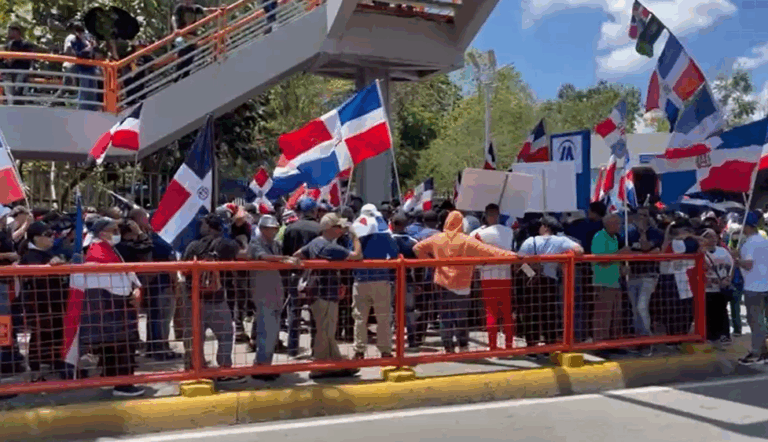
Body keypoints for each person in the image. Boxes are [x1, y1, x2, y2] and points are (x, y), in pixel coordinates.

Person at [413, 211, 517, 353]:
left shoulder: (437, 238)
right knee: (461, 317)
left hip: (441, 282)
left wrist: (431, 263)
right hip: (462, 285)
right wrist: (512, 256)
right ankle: (463, 346)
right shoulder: (467, 240)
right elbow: (490, 251)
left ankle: (448, 347)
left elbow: (417, 248)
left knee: (445, 317)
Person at [79, 218, 145, 397]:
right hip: (112, 302)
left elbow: (125, 270)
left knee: (114, 344)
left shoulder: (109, 248)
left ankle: (111, 379)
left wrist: (136, 288)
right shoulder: (97, 251)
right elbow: (114, 275)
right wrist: (131, 291)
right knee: (121, 344)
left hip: (117, 301)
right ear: (102, 232)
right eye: (113, 229)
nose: (117, 232)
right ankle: (123, 384)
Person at [295, 213, 362, 378]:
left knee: (326, 330)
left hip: (318, 292)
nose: (342, 229)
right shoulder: (329, 247)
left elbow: (297, 254)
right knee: (325, 331)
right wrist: (355, 237)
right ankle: (320, 366)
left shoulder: (315, 243)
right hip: (325, 293)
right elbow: (357, 256)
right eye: (338, 226)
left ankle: (335, 362)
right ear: (330, 228)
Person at [181, 214, 246, 384]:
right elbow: (243, 254)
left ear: (210, 227)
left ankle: (195, 368)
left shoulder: (193, 245)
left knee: (195, 336)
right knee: (225, 334)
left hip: (193, 298)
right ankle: (224, 368)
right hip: (216, 298)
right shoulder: (227, 244)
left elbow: (182, 268)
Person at [517, 216, 583, 350]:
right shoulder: (562, 241)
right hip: (550, 281)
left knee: (531, 314)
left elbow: (519, 260)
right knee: (550, 314)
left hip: (533, 282)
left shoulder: (531, 241)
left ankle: (532, 346)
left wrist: (531, 271)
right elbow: (579, 251)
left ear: (545, 227)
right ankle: (549, 345)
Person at [248, 215, 300, 381]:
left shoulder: (276, 244)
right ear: (262, 229)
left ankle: (265, 364)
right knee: (266, 329)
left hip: (275, 288)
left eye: (275, 228)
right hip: (262, 289)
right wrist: (284, 259)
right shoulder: (256, 242)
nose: (273, 231)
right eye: (270, 228)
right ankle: (261, 365)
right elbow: (262, 257)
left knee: (273, 330)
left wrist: (284, 259)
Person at [18, 222, 68, 380]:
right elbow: (35, 277)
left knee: (56, 332)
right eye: (48, 235)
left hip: (54, 301)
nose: (52, 238)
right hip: (39, 303)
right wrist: (49, 266)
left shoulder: (48, 252)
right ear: (37, 237)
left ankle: (55, 361)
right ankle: (35, 370)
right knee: (39, 335)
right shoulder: (30, 255)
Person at [350, 204, 399, 360]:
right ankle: (385, 351)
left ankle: (359, 351)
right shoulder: (383, 233)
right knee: (384, 317)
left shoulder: (356, 231)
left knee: (360, 318)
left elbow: (349, 253)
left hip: (360, 279)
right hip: (381, 279)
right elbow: (394, 252)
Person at [470, 204, 516, 350]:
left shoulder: (478, 233)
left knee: (491, 312)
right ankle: (509, 345)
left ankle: (492, 346)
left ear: (486, 215)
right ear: (498, 214)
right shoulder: (509, 231)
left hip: (487, 276)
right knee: (507, 313)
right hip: (506, 276)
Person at [281, 197, 321, 356]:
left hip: (294, 273)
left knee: (294, 312)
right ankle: (315, 349)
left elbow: (285, 253)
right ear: (314, 211)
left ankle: (292, 349)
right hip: (315, 275)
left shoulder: (290, 228)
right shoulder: (319, 229)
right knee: (315, 313)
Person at [623, 207, 663, 343]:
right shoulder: (628, 233)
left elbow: (647, 247)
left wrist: (642, 233)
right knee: (635, 309)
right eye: (639, 215)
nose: (642, 218)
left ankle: (647, 337)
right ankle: (639, 337)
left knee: (642, 306)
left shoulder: (655, 233)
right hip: (633, 274)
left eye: (645, 215)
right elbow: (626, 252)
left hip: (649, 275)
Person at [735, 211, 768, 365]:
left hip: (754, 286)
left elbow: (748, 264)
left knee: (755, 321)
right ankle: (764, 352)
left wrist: (736, 259)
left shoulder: (749, 243)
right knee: (762, 320)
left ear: (747, 226)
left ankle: (757, 352)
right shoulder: (763, 240)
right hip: (765, 284)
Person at [591, 214, 623, 344]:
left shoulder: (615, 238)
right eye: (617, 223)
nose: (619, 226)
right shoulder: (600, 237)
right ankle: (600, 344)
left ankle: (613, 343)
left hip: (615, 282)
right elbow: (600, 259)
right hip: (603, 282)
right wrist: (620, 255)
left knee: (616, 316)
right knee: (603, 316)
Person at [701, 228, 733, 345]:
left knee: (722, 311)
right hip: (707, 289)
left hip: (721, 288)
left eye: (714, 236)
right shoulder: (701, 253)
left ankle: (724, 335)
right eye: (708, 236)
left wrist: (728, 278)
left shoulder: (723, 251)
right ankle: (711, 335)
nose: (712, 239)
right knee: (709, 312)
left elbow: (732, 265)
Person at [173, 0, 218, 80]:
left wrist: (219, 10)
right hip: (183, 37)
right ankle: (177, 78)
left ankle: (183, 77)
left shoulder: (196, 9)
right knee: (183, 56)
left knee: (189, 58)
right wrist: (176, 29)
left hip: (192, 38)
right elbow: (174, 19)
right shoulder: (180, 8)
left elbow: (206, 10)